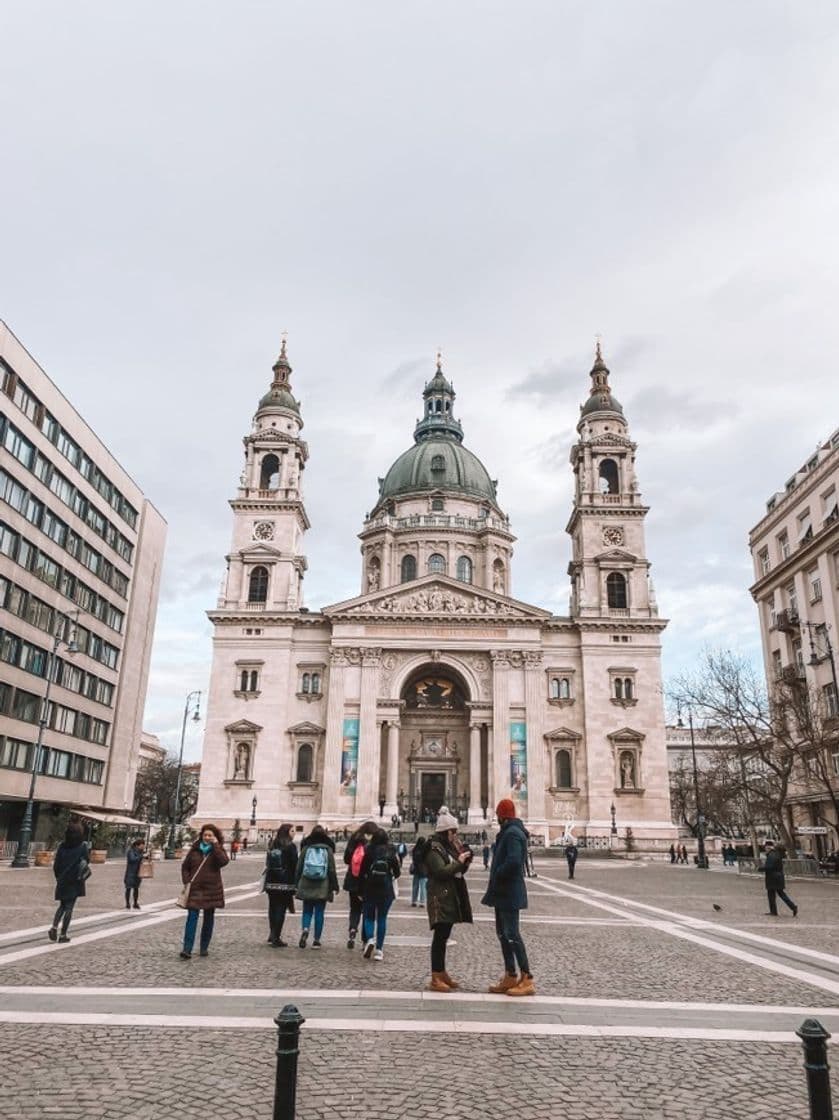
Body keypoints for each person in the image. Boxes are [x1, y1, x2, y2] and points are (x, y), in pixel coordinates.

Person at [482, 798, 535, 997]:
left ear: (503, 815)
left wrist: (499, 874)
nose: (496, 817)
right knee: (503, 934)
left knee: (512, 934)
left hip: (509, 891)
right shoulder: (508, 832)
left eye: (498, 814)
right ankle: (510, 975)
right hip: (503, 892)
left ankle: (527, 977)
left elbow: (513, 861)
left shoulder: (512, 834)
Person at [425, 806, 473, 992]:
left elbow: (455, 869)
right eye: (454, 832)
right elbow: (440, 871)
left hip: (449, 896)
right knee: (439, 937)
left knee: (443, 936)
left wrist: (464, 863)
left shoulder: (447, 847)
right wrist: (459, 862)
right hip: (440, 898)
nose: (455, 835)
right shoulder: (434, 848)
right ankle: (436, 976)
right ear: (446, 832)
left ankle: (441, 972)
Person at [179, 824, 229, 960]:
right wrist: (187, 880)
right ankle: (187, 949)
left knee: (209, 919)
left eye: (210, 835)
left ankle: (204, 947)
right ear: (201, 836)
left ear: (215, 837)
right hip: (195, 889)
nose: (207, 838)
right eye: (205, 835)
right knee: (191, 918)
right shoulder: (194, 849)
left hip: (212, 890)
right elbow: (185, 867)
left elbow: (224, 862)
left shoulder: (217, 850)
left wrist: (216, 846)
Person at [359, 827, 401, 960]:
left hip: (370, 888)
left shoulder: (369, 850)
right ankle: (379, 950)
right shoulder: (391, 851)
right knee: (382, 918)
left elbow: (362, 871)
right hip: (386, 889)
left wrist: (360, 889)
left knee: (369, 917)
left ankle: (370, 939)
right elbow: (397, 872)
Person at [295, 824, 340, 948]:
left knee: (307, 910)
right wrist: (335, 886)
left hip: (306, 882)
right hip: (322, 885)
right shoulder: (328, 850)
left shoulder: (306, 848)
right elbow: (331, 870)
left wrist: (296, 883)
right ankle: (316, 940)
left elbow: (298, 867)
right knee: (319, 912)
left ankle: (305, 929)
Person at [48, 821, 90, 943]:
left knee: (62, 905)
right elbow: (86, 861)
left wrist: (58, 877)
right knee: (69, 907)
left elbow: (56, 865)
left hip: (62, 879)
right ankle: (63, 934)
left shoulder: (62, 846)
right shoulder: (82, 846)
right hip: (75, 880)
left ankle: (54, 927)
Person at [343, 820, 376, 949]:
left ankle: (352, 930)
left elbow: (346, 859)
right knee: (367, 911)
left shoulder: (354, 839)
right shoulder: (373, 843)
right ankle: (365, 940)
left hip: (353, 880)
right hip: (367, 881)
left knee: (354, 909)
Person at [264, 824, 298, 947]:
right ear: (287, 832)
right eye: (292, 831)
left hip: (271, 881)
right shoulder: (291, 846)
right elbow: (295, 864)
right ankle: (276, 937)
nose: (294, 833)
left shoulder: (272, 844)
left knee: (272, 908)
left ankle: (272, 933)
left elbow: (267, 862)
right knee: (280, 910)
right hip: (285, 882)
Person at [763, 841, 798, 918]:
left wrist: (761, 868)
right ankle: (792, 907)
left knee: (772, 895)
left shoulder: (771, 855)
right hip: (778, 877)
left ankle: (774, 911)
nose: (765, 849)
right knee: (781, 894)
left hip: (773, 878)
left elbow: (769, 867)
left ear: (768, 847)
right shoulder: (776, 854)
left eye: (766, 847)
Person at [124, 838, 145, 909]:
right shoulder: (131, 851)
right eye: (142, 845)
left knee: (136, 888)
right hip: (130, 872)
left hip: (138, 873)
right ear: (137, 845)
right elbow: (132, 859)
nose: (143, 847)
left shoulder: (141, 852)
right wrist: (141, 856)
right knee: (128, 888)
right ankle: (127, 903)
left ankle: (135, 903)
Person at [410, 836, 429, 906]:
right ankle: (422, 901)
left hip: (416, 869)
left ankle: (414, 900)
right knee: (423, 886)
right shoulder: (425, 851)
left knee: (415, 886)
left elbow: (413, 859)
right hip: (424, 870)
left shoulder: (415, 849)